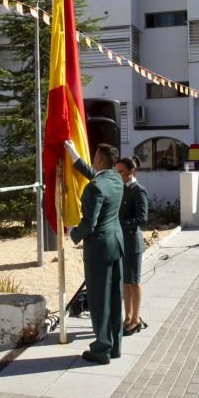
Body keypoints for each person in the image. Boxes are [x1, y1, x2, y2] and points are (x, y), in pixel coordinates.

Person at [64, 141, 125, 365]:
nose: (92, 160)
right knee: (115, 298)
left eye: (94, 157)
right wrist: (75, 157)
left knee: (99, 299)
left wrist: (74, 233)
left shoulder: (95, 187)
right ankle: (115, 346)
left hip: (98, 248)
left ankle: (101, 349)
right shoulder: (116, 178)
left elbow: (89, 223)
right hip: (116, 245)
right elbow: (96, 176)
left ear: (99, 160)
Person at [116, 156, 149, 336]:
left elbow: (142, 218)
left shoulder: (138, 191)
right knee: (126, 283)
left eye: (121, 171)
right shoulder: (122, 189)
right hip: (122, 242)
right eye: (117, 171)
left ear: (131, 172)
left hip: (133, 241)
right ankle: (127, 317)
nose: (118, 174)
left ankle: (136, 319)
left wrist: (120, 223)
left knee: (134, 282)